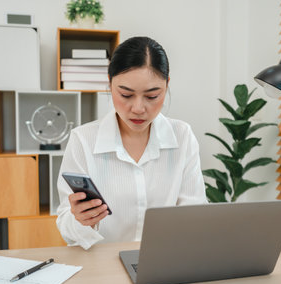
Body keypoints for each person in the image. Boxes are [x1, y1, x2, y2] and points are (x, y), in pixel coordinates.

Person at [56, 36, 207, 250]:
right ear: (109, 83)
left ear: (167, 85)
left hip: (165, 262)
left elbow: (194, 217)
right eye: (126, 94)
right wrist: (81, 221)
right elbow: (66, 228)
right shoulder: (83, 140)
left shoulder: (182, 137)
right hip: (103, 268)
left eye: (152, 96)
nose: (138, 108)